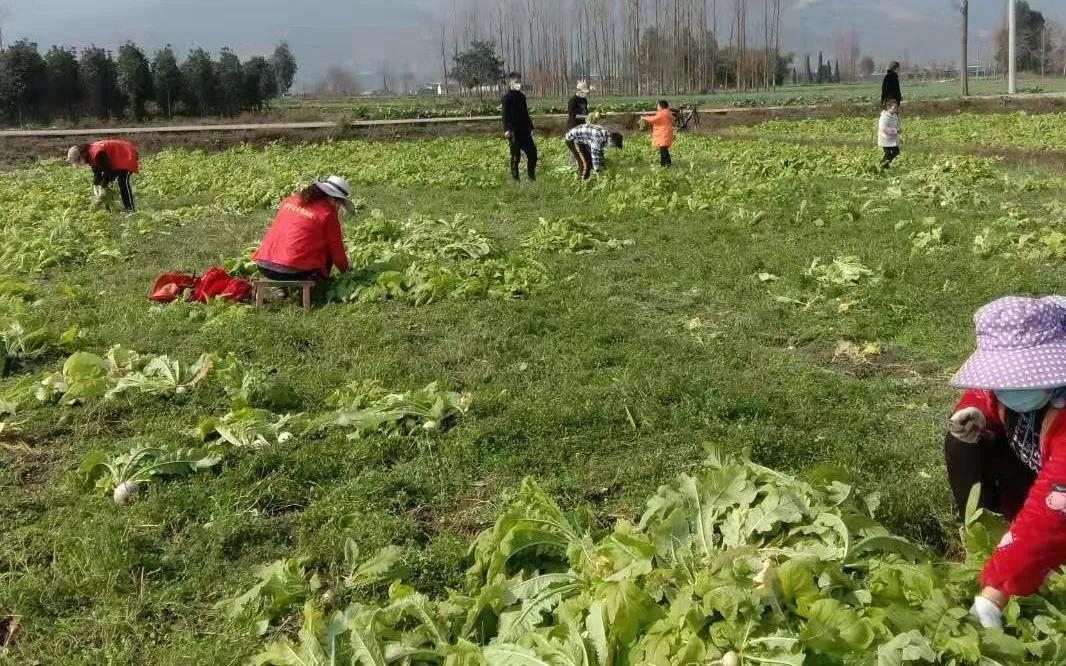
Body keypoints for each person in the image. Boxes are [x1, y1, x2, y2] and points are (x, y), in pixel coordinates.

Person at [945, 296, 1066, 630]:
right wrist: (977, 413)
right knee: (963, 441)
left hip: (1059, 493)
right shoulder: (1012, 390)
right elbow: (986, 394)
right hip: (1040, 471)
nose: (1010, 387)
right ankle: (985, 535)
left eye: (1021, 376)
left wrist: (995, 593)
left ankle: (1023, 556)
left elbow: (1054, 507)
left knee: (1049, 525)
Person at [251, 176, 354, 281]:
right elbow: (336, 250)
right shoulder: (327, 214)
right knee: (327, 249)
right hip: (293, 271)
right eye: (339, 204)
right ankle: (319, 284)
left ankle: (280, 288)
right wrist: (346, 270)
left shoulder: (289, 201)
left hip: (263, 264)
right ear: (333, 199)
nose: (338, 208)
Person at [66, 140, 140, 212]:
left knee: (122, 181)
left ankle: (130, 209)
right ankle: (111, 208)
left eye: (77, 162)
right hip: (119, 155)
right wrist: (96, 185)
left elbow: (109, 172)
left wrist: (103, 185)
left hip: (126, 153)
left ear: (80, 157)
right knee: (112, 183)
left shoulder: (97, 154)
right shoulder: (90, 154)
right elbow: (97, 172)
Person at [564, 113, 623, 181]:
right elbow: (595, 156)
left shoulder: (605, 134)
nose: (613, 148)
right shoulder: (598, 138)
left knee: (588, 160)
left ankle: (586, 179)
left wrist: (601, 164)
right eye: (614, 146)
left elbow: (599, 153)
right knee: (585, 163)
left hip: (581, 140)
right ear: (611, 141)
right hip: (572, 139)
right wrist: (598, 173)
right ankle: (583, 183)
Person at [502, 72, 537, 182]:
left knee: (533, 154)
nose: (519, 84)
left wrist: (531, 127)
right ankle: (515, 178)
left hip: (524, 130)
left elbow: (525, 113)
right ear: (511, 83)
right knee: (516, 156)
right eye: (516, 82)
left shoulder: (522, 97)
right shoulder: (506, 98)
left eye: (520, 82)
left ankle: (531, 176)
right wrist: (506, 129)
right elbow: (504, 115)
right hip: (513, 131)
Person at [641, 100, 675, 168]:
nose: (657, 107)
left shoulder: (662, 113)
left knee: (663, 150)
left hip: (663, 133)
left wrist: (644, 117)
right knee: (663, 149)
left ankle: (667, 164)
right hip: (666, 132)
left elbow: (654, 119)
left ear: (661, 106)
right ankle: (664, 164)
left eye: (658, 105)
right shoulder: (667, 112)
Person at [878, 100, 902, 169]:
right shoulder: (884, 117)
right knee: (888, 153)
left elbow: (897, 124)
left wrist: (899, 130)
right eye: (894, 107)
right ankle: (883, 165)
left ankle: (886, 164)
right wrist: (894, 131)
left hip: (893, 138)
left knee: (896, 152)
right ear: (888, 108)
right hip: (885, 138)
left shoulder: (895, 116)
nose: (896, 109)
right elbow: (883, 128)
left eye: (896, 107)